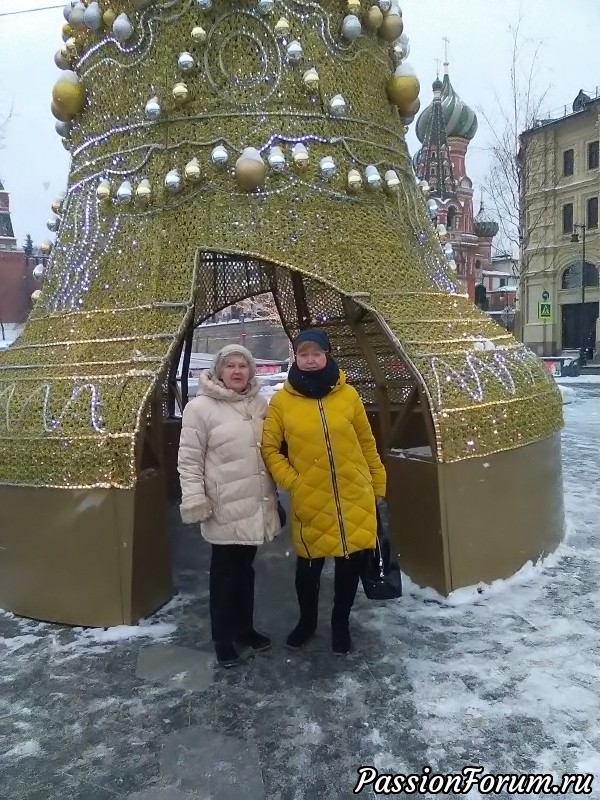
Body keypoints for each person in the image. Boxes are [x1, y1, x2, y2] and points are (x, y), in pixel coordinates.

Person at [261, 329, 386, 655]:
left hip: (354, 494)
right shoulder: (282, 402)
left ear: (328, 355)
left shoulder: (349, 396)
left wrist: (377, 482)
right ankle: (307, 622)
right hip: (311, 498)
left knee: (350, 568)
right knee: (308, 569)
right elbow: (270, 449)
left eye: (317, 353)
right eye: (304, 353)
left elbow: (366, 442)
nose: (311, 359)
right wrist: (294, 482)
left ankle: (340, 623)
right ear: (296, 357)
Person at [178, 344, 280, 668]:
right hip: (223, 506)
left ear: (251, 371)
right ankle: (222, 639)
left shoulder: (260, 405)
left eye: (243, 365)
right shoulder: (200, 408)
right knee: (224, 574)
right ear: (219, 371)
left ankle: (244, 629)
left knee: (245, 570)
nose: (237, 371)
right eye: (230, 365)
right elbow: (189, 461)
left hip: (255, 502)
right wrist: (195, 500)